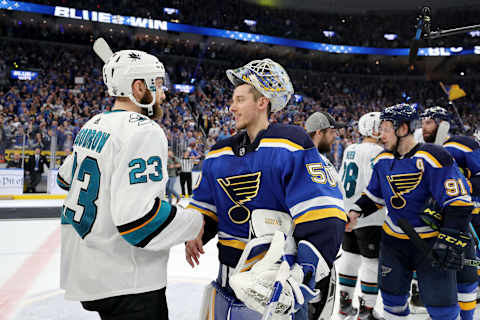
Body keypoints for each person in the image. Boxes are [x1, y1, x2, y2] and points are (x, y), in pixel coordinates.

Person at [185, 58, 346, 320]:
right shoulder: (218, 152)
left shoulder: (290, 145)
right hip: (224, 285)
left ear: (262, 102)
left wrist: (302, 274)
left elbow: (324, 216)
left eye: (239, 99)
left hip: (274, 290)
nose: (231, 106)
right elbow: (206, 207)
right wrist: (195, 229)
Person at [56, 42, 203, 320]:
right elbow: (138, 222)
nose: (163, 94)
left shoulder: (92, 125)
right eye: (157, 85)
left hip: (91, 270)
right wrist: (194, 222)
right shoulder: (145, 131)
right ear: (138, 88)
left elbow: (66, 180)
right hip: (129, 281)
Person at [347, 103, 474, 320]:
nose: (381, 134)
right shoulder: (382, 160)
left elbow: (459, 203)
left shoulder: (434, 157)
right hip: (393, 243)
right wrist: (355, 211)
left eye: (386, 128)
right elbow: (373, 196)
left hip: (430, 244)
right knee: (392, 304)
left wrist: (448, 238)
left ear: (403, 129)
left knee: (442, 310)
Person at [421, 106, 480, 320]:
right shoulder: (422, 150)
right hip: (432, 220)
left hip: (462, 218)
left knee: (466, 271)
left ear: (442, 123)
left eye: (428, 122)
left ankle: (467, 316)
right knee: (439, 267)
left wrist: (459, 185)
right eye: (423, 122)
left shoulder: (462, 144)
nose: (423, 127)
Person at [336, 112, 385, 320]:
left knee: (350, 257)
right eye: (381, 127)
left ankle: (344, 304)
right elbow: (377, 184)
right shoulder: (378, 152)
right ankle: (366, 311)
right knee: (371, 263)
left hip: (347, 210)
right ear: (374, 129)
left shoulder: (350, 148)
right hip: (369, 214)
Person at [304, 110, 347, 319]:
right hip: (313, 255)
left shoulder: (320, 161)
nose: (335, 137)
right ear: (319, 132)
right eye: (332, 132)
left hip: (322, 253)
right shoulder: (311, 161)